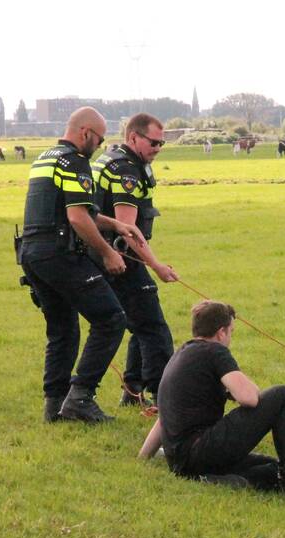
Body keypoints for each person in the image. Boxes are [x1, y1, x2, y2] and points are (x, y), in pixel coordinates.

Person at [19, 106, 147, 423]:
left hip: (32, 254)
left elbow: (77, 210)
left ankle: (55, 406)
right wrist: (107, 252)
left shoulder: (45, 158)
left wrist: (116, 225)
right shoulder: (75, 162)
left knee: (62, 330)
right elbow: (76, 218)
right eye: (100, 139)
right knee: (111, 318)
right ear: (85, 132)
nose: (100, 146)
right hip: (60, 254)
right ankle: (81, 397)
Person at [142, 300, 285, 497]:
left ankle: (216, 480)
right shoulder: (215, 351)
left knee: (273, 468)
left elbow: (165, 417)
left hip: (180, 460)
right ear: (221, 332)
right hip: (200, 450)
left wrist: (143, 456)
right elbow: (250, 398)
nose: (230, 338)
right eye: (231, 332)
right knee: (283, 395)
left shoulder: (181, 354)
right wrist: (233, 388)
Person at [91, 113, 178, 409]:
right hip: (119, 256)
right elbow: (128, 230)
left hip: (102, 253)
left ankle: (132, 390)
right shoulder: (126, 169)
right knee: (154, 328)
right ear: (133, 138)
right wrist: (157, 266)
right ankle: (163, 396)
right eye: (153, 142)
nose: (158, 148)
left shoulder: (112, 158)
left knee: (141, 322)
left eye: (162, 143)